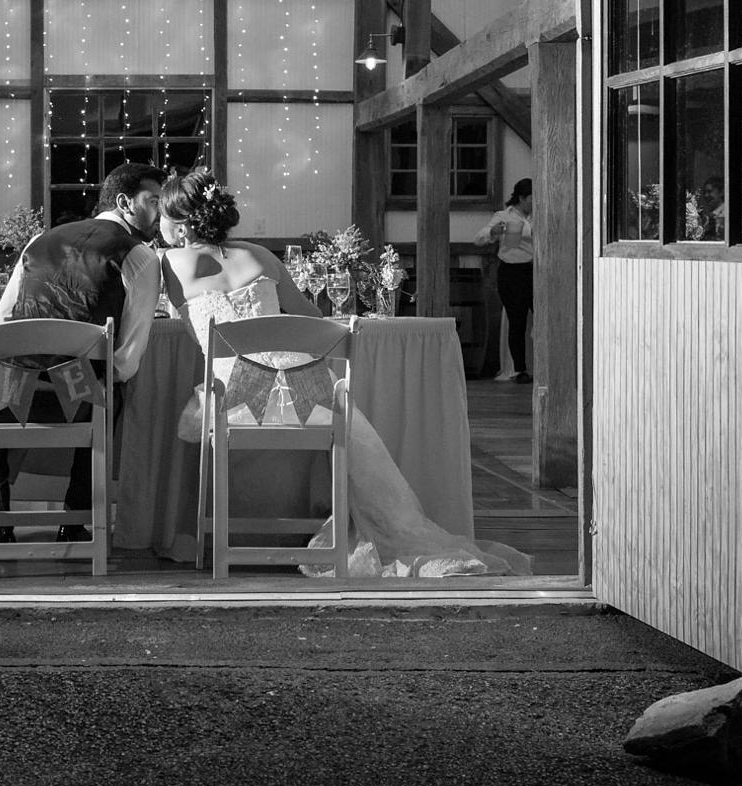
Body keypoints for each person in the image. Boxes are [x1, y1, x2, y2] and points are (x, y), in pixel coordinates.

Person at [156, 167, 531, 579]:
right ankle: (344, 528)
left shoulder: (172, 263)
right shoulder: (261, 257)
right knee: (345, 419)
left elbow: (182, 316)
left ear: (180, 224)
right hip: (303, 394)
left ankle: (212, 539)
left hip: (235, 400)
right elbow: (314, 318)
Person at [0, 163, 166, 545]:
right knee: (110, 389)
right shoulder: (139, 256)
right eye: (153, 201)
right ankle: (75, 519)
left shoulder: (40, 241)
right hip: (80, 398)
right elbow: (127, 359)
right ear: (124, 203)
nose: (161, 212)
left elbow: (0, 324)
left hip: (12, 394)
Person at [476, 178, 536, 383]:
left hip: (537, 272)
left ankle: (546, 363)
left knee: (543, 319)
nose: (534, 203)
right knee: (517, 321)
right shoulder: (503, 216)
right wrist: (493, 233)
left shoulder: (539, 215)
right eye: (531, 198)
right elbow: (480, 238)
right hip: (512, 273)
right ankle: (519, 369)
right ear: (521, 198)